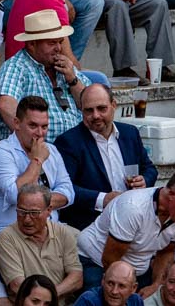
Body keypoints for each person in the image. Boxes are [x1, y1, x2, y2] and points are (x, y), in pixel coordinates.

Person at [54, 78, 157, 231]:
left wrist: (144, 181)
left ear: (113, 106)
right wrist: (102, 199)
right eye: (89, 110)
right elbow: (64, 188)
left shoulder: (130, 133)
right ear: (81, 110)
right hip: (92, 224)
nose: (95, 115)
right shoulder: (69, 142)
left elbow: (149, 168)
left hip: (134, 216)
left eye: (101, 108)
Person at [77, 168, 175, 289]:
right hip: (97, 262)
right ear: (171, 194)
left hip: (136, 270)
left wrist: (155, 286)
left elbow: (166, 252)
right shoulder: (133, 208)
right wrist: (128, 291)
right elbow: (110, 259)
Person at [0, 96, 73, 240]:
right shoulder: (0, 152)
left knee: (88, 245)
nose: (39, 133)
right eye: (33, 126)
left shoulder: (52, 150)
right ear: (17, 123)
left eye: (44, 127)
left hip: (51, 230)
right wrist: (37, 160)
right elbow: (15, 195)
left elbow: (68, 193)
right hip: (9, 234)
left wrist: (37, 204)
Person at [0, 10, 90, 142]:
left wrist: (73, 80)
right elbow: (5, 105)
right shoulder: (16, 67)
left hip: (77, 148)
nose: (58, 48)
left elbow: (90, 105)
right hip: (39, 151)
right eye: (51, 43)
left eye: (60, 42)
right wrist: (34, 142)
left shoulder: (65, 66)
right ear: (32, 44)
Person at [0, 183, 84, 299]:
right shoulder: (6, 238)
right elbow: (17, 285)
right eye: (21, 211)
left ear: (49, 210)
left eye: (34, 213)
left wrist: (51, 295)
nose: (27, 219)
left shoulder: (62, 233)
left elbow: (76, 278)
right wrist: (46, 300)